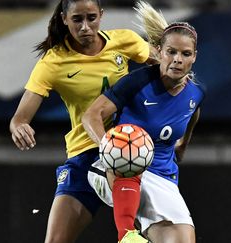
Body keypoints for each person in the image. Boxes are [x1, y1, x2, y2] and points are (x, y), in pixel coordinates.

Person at [9, 0, 158, 242]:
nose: (85, 27)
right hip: (85, 153)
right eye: (77, 19)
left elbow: (166, 70)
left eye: (91, 18)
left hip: (133, 153)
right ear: (64, 19)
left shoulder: (125, 41)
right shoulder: (53, 62)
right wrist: (19, 127)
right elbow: (19, 117)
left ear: (102, 15)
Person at [82, 1, 204, 242]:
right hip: (114, 169)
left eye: (185, 54)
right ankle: (126, 235)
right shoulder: (137, 82)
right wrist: (108, 146)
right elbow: (91, 115)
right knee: (129, 150)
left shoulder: (196, 93)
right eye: (171, 52)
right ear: (159, 51)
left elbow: (193, 113)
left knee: (181, 239)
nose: (177, 59)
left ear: (194, 57)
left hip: (162, 177)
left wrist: (182, 146)